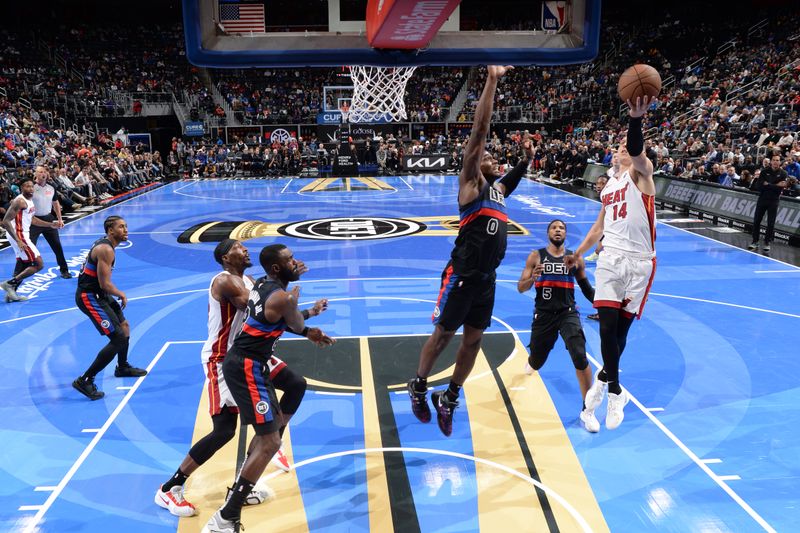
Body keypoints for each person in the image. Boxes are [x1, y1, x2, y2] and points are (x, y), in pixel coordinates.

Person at [156, 240, 327, 517]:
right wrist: (295, 303)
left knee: (296, 384)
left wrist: (302, 312)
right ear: (226, 257)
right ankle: (170, 488)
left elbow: (275, 311)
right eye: (238, 247)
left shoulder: (249, 279)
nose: (245, 249)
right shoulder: (226, 281)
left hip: (252, 353)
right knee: (224, 430)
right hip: (224, 358)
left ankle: (269, 445)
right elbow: (263, 310)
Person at [407, 65, 534, 437]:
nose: (491, 156)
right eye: (486, 156)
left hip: (487, 279)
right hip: (461, 274)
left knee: (474, 339)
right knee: (444, 335)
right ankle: (418, 385)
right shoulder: (472, 184)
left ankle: (449, 397)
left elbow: (516, 174)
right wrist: (492, 80)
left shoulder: (496, 190)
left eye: (494, 156)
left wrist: (526, 157)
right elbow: (479, 133)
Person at [203, 244, 334, 533]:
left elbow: (284, 319)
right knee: (270, 442)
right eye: (290, 260)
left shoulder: (262, 284)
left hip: (251, 361)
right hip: (245, 366)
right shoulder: (283, 297)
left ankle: (252, 468)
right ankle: (225, 518)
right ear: (277, 268)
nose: (296, 262)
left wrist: (306, 314)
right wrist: (303, 314)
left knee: (294, 388)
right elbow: (295, 321)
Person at [564, 96, 658, 430]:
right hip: (610, 259)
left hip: (640, 263)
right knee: (605, 328)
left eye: (626, 147)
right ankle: (616, 390)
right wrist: (577, 252)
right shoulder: (609, 188)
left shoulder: (642, 176)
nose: (622, 149)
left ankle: (603, 383)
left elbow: (636, 150)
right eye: (618, 146)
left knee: (619, 335)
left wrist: (635, 119)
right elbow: (597, 228)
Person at [518, 220, 599, 432]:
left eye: (561, 228)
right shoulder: (536, 256)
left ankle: (587, 410)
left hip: (567, 313)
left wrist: (605, 306)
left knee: (580, 356)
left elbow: (587, 289)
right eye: (554, 227)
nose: (558, 230)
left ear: (565, 234)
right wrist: (532, 278)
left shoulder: (574, 259)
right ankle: (533, 361)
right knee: (537, 360)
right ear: (548, 233)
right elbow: (520, 287)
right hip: (543, 315)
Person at [72, 216, 147, 400]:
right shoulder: (106, 249)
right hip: (89, 296)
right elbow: (105, 284)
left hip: (99, 294)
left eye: (126, 226)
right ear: (110, 230)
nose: (126, 230)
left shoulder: (107, 246)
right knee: (118, 338)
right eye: (121, 227)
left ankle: (122, 367)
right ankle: (85, 380)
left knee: (124, 327)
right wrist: (121, 293)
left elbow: (103, 285)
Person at [0, 178, 60, 302]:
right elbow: (5, 221)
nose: (31, 189)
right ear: (21, 188)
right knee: (38, 264)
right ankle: (10, 283)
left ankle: (11, 294)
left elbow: (32, 220)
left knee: (22, 264)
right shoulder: (20, 201)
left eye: (32, 186)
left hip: (23, 234)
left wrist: (50, 224)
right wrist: (18, 240)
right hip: (18, 235)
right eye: (27, 186)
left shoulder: (30, 201)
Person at [30, 166, 72, 279]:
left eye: (44, 172)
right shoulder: (31, 187)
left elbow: (56, 203)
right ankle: (22, 273)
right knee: (29, 247)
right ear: (36, 174)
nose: (43, 174)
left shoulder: (51, 187)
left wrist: (59, 219)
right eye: (40, 172)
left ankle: (64, 270)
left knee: (57, 246)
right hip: (34, 221)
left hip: (48, 218)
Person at [748, 154, 789, 253]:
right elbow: (759, 186)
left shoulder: (783, 173)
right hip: (762, 199)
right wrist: (775, 185)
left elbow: (780, 188)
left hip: (774, 200)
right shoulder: (764, 171)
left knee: (771, 223)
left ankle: (767, 242)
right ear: (771, 161)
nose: (776, 162)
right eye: (774, 160)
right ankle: (755, 241)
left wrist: (768, 184)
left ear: (780, 162)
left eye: (778, 160)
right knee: (757, 221)